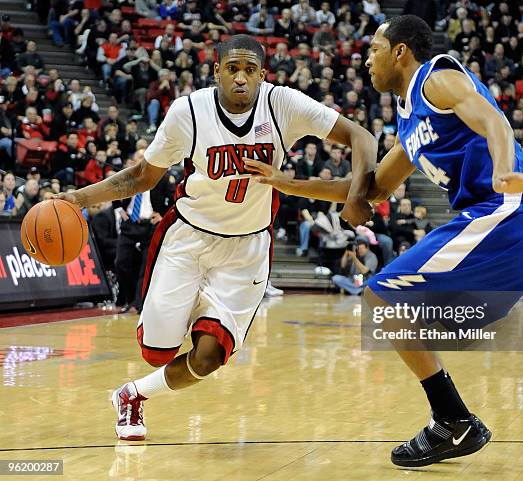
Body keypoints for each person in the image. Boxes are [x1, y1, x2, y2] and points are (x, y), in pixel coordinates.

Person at [245, 15, 523, 467]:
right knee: (393, 309)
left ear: (400, 52)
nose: (366, 58)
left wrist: (504, 171)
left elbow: (493, 120)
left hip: (508, 211)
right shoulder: (410, 124)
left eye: (373, 49)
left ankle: (452, 421)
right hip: (500, 223)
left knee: (382, 298)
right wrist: (285, 182)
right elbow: (368, 190)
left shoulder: (438, 77)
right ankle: (454, 418)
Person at [56, 35, 376, 441]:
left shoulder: (283, 104)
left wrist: (358, 194)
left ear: (263, 75)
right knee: (157, 350)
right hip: (189, 239)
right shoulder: (187, 111)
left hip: (246, 250)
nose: (240, 79)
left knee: (208, 358)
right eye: (232, 69)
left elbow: (362, 137)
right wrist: (79, 198)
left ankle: (132, 394)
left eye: (249, 71)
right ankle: (186, 318)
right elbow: (142, 177)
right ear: (216, 72)